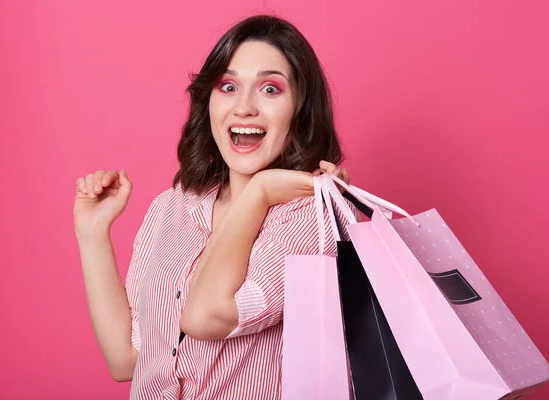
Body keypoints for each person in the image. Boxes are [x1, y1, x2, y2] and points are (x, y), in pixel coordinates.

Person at [73, 15, 357, 400]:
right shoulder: (172, 207)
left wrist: (258, 193)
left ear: (301, 110)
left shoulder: (312, 216)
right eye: (228, 86)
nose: (244, 108)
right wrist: (92, 233)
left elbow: (205, 316)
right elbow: (126, 360)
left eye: (270, 89)